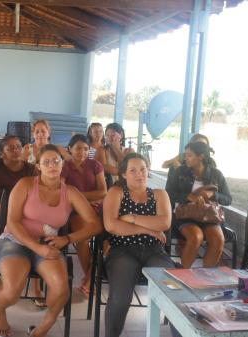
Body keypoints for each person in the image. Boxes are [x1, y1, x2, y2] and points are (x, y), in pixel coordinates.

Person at [0, 144, 102, 337]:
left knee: (61, 289)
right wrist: (37, 247)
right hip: (15, 241)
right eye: (47, 161)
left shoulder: (70, 192)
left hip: (48, 244)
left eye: (56, 161)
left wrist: (67, 238)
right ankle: (0, 310)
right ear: (38, 166)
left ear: (63, 165)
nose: (52, 165)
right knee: (13, 289)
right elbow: (12, 221)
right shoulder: (25, 184)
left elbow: (95, 224)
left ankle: (42, 329)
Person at [103, 152, 174, 337]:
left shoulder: (159, 194)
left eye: (142, 169)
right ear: (124, 174)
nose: (139, 174)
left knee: (174, 291)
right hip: (122, 251)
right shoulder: (116, 192)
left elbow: (164, 223)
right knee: (120, 299)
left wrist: (132, 219)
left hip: (154, 251)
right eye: (132, 171)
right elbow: (111, 225)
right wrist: (148, 229)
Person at [165, 141, 231, 268]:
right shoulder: (180, 172)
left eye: (189, 155)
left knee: (218, 240)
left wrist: (213, 195)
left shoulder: (216, 174)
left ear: (200, 157)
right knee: (196, 237)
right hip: (185, 215)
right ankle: (184, 274)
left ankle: (205, 276)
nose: (186, 158)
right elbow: (168, 193)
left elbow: (228, 199)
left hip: (208, 216)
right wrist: (187, 196)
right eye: (186, 155)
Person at [61, 134, 107, 295]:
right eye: (79, 148)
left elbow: (103, 191)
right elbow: (62, 192)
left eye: (86, 149)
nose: (82, 152)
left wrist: (79, 197)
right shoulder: (65, 166)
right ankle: (91, 279)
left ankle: (89, 279)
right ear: (70, 149)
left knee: (109, 239)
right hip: (75, 211)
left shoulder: (95, 165)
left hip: (97, 209)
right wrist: (83, 201)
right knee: (82, 237)